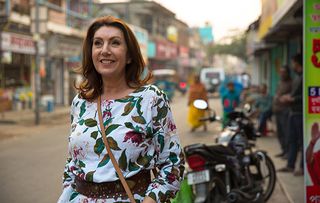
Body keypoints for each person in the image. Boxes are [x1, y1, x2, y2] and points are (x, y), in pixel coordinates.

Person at [58, 16, 185, 203]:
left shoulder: (150, 99)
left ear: (130, 55)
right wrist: (68, 192)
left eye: (115, 43)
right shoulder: (81, 102)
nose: (105, 50)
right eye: (98, 43)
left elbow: (173, 165)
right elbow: (73, 162)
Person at [278, 53, 303, 176]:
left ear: (297, 63)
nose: (292, 65)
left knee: (302, 142)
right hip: (293, 112)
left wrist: (292, 99)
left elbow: (304, 95)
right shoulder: (297, 77)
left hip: (300, 113)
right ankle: (290, 165)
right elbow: (294, 94)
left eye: (293, 63)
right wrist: (289, 97)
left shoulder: (305, 77)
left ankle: (303, 167)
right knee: (291, 139)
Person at [272, 66, 292, 158]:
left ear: (287, 73)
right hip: (277, 110)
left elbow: (292, 95)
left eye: (284, 72)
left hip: (285, 111)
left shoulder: (291, 83)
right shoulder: (280, 82)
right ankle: (284, 150)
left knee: (286, 132)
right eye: (280, 72)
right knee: (280, 133)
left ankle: (288, 152)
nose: (282, 74)